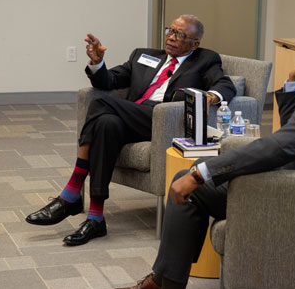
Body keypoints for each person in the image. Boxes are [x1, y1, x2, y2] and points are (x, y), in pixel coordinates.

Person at [115, 18, 295, 289]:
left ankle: (163, 285)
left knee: (190, 183)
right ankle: (161, 280)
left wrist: (201, 174)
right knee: (196, 172)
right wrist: (293, 80)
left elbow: (279, 146)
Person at [25, 14, 237, 246]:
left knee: (100, 103)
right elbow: (108, 81)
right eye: (170, 31)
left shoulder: (205, 60)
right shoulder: (143, 55)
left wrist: (210, 96)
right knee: (106, 124)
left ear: (195, 43)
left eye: (180, 35)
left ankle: (72, 191)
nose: (171, 38)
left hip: (161, 120)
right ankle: (96, 217)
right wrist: (97, 63)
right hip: (130, 117)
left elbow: (225, 85)